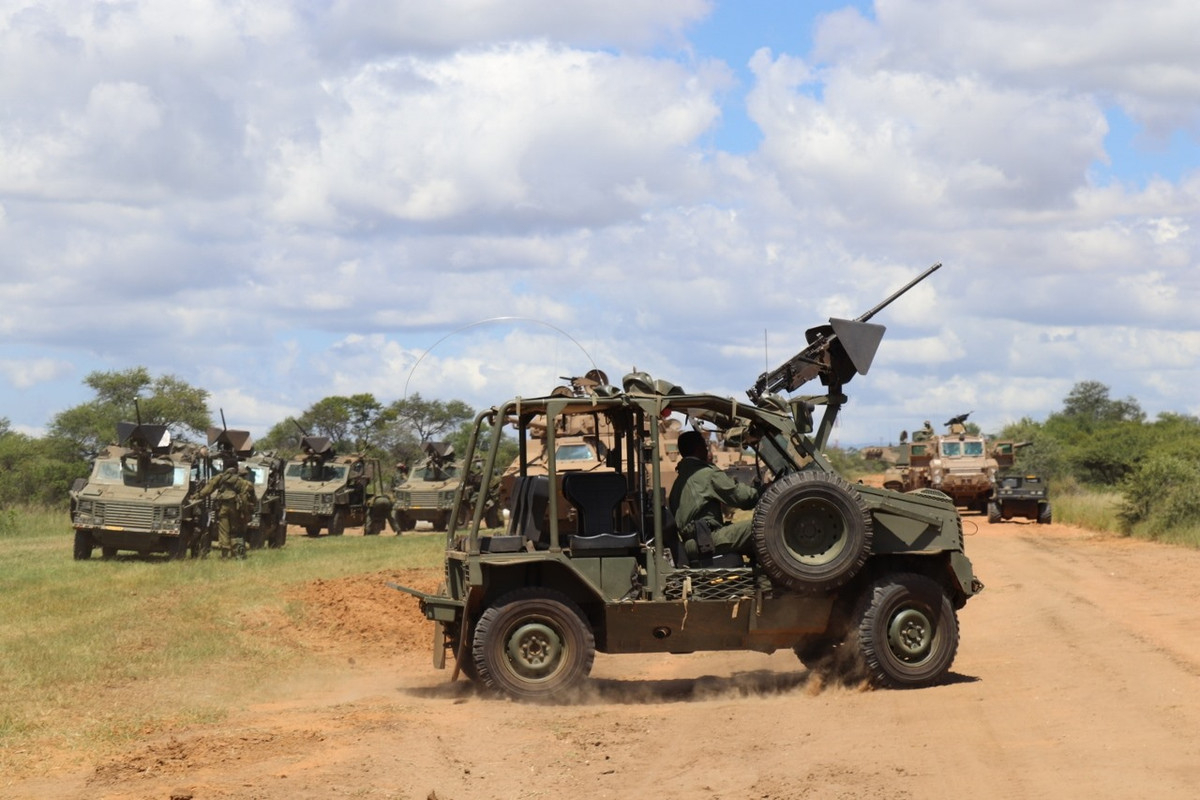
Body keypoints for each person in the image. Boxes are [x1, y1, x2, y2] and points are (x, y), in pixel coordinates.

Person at [668, 429, 759, 563]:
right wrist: (764, 490)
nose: (706, 449)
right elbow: (743, 498)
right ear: (699, 448)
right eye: (705, 446)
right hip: (704, 540)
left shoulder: (681, 479)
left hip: (695, 541)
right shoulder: (705, 473)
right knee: (762, 527)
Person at [195, 463, 257, 559]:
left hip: (222, 508)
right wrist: (245, 511)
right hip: (235, 509)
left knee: (224, 531)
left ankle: (224, 556)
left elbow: (207, 490)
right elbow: (246, 497)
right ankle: (237, 554)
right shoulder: (241, 482)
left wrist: (196, 496)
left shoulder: (220, 478)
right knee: (235, 531)